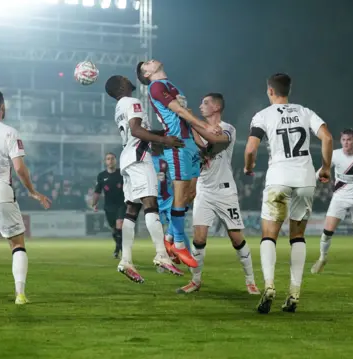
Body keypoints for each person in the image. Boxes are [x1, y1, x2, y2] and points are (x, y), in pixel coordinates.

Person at [244, 73, 333, 314]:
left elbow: (251, 148)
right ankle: (294, 292)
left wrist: (248, 167)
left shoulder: (263, 115)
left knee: (269, 236)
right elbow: (327, 137)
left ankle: (270, 285)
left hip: (278, 179)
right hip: (304, 179)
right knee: (297, 237)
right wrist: (325, 168)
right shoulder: (305, 112)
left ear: (270, 91)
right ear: (288, 91)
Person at [137, 59, 229, 265]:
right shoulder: (156, 86)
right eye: (147, 64)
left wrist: (201, 144)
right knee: (180, 193)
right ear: (147, 74)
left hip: (190, 144)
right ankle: (179, 244)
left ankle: (169, 237)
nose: (152, 61)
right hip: (176, 143)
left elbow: (187, 116)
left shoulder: (172, 86)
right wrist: (206, 126)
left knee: (191, 193)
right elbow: (179, 111)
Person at [105, 75, 186, 282]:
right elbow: (137, 130)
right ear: (122, 86)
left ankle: (126, 259)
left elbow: (139, 132)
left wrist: (163, 134)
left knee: (132, 210)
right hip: (140, 159)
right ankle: (161, 254)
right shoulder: (133, 102)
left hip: (127, 159)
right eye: (124, 78)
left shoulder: (120, 106)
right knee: (151, 205)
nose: (128, 78)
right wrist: (164, 139)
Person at [0, 89, 51, 305]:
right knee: (17, 244)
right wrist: (32, 191)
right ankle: (20, 294)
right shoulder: (9, 132)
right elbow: (19, 168)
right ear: (2, 107)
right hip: (2, 194)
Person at [177, 93, 259, 295]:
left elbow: (211, 143)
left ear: (217, 107)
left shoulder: (227, 129)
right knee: (199, 237)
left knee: (236, 239)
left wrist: (188, 117)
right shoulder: (201, 128)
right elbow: (198, 156)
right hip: (205, 190)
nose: (201, 106)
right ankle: (195, 281)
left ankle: (251, 281)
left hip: (225, 191)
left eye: (205, 103)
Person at [311, 128, 353, 275]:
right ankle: (322, 259)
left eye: (349, 140)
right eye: (344, 140)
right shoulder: (334, 155)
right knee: (327, 232)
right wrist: (312, 180)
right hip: (339, 198)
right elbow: (323, 170)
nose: (346, 142)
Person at [92, 153, 125, 258]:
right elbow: (97, 191)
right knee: (114, 230)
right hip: (109, 206)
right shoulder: (101, 176)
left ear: (116, 161)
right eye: (108, 159)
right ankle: (118, 248)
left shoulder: (122, 173)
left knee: (120, 225)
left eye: (112, 159)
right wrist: (94, 204)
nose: (110, 161)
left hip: (121, 204)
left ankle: (122, 251)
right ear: (105, 162)